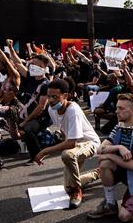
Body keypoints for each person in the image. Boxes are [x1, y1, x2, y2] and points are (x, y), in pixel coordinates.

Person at [87, 93, 133, 223]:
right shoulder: (119, 126)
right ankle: (110, 204)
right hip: (125, 170)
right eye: (117, 107)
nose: (116, 111)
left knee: (124, 217)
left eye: (121, 108)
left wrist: (109, 154)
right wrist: (118, 147)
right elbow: (100, 149)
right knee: (104, 163)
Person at [33, 79, 100, 209]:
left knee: (67, 155)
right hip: (75, 146)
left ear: (66, 95)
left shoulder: (72, 109)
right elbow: (65, 134)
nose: (51, 100)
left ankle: (77, 191)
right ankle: (99, 173)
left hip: (90, 143)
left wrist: (44, 151)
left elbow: (70, 143)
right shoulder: (52, 110)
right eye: (49, 96)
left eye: (55, 97)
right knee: (66, 187)